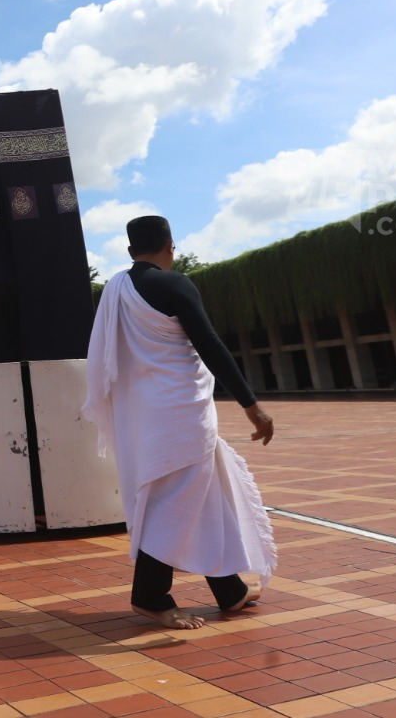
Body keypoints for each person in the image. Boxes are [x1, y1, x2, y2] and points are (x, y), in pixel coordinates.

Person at [82, 215, 277, 630]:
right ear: (170, 246)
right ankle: (150, 596)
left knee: (202, 495)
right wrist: (251, 405)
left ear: (132, 249)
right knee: (180, 500)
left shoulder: (116, 290)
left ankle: (230, 590)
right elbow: (209, 343)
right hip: (180, 413)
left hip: (141, 415)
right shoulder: (175, 284)